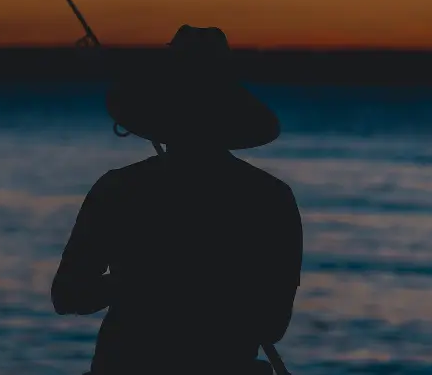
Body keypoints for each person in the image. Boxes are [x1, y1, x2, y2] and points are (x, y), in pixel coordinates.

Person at [51, 25, 303, 375]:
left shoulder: (119, 189)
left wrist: (134, 281)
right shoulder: (271, 198)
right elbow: (273, 324)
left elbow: (68, 295)